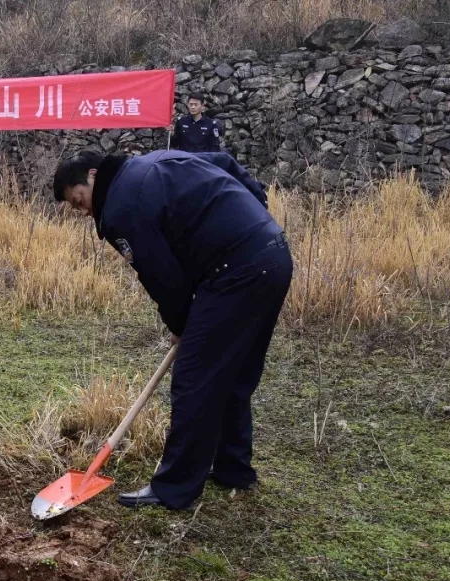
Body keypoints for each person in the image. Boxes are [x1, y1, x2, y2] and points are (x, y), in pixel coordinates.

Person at [53, 149, 293, 510]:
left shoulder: (121, 207)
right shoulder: (154, 162)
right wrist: (255, 212)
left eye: (80, 200)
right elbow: (223, 161)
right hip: (272, 255)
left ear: (93, 175)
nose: (84, 211)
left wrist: (182, 323)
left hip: (234, 273)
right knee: (235, 371)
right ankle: (233, 469)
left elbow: (162, 276)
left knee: (194, 378)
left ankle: (174, 488)